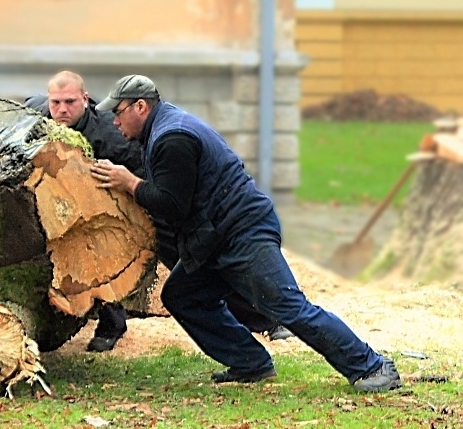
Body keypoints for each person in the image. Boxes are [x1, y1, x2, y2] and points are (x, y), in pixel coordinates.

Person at [90, 74, 401, 392]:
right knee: (183, 295)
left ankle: (371, 366)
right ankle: (250, 364)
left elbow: (173, 205)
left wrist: (129, 183)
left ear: (140, 106)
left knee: (287, 307)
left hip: (242, 230)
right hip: (216, 235)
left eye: (118, 112)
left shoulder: (172, 138)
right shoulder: (163, 128)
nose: (114, 121)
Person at [24, 71, 292, 353]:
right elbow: (29, 103)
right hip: (74, 203)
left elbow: (154, 177)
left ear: (86, 99)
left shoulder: (112, 134)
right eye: (56, 103)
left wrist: (142, 200)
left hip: (147, 199)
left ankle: (267, 319)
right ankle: (111, 323)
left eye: (70, 102)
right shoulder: (39, 115)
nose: (62, 110)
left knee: (199, 262)